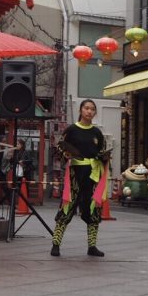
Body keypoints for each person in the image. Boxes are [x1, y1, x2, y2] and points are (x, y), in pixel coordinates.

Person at [50, 99, 110, 258]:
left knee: (93, 209)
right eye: (86, 108)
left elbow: (101, 151)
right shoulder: (71, 130)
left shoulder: (97, 133)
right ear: (81, 110)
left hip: (93, 175)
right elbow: (58, 150)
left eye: (92, 109)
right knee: (67, 207)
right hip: (75, 174)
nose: (89, 111)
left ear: (95, 113)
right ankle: (56, 243)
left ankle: (92, 246)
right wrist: (65, 154)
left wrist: (104, 157)